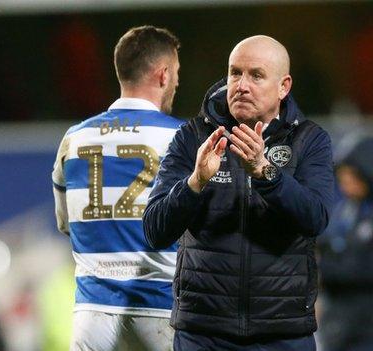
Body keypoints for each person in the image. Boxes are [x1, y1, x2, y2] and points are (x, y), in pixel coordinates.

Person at [143, 35, 334, 350]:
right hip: (204, 334)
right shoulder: (192, 138)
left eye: (256, 75)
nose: (241, 84)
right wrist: (195, 183)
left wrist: (266, 173)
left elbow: (317, 219)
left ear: (283, 86)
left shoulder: (309, 141)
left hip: (282, 333)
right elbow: (154, 231)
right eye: (235, 73)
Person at [52, 25, 183, 350]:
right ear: (164, 75)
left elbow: (66, 224)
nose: (177, 82)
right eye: (177, 72)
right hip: (161, 307)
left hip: (93, 312)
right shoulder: (183, 137)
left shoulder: (74, 138)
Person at [317, 137, 373, 351]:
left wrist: (327, 269)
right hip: (339, 320)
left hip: (367, 323)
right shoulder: (343, 211)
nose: (345, 182)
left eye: (351, 175)